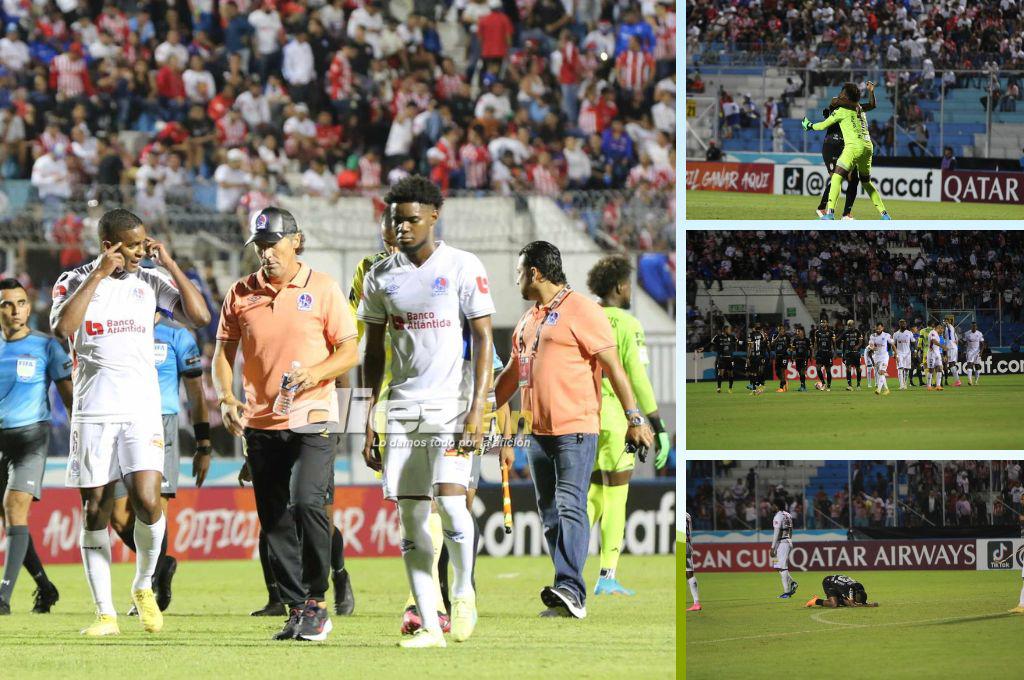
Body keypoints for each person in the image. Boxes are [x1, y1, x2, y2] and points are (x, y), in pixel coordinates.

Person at [50, 209, 211, 636]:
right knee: (95, 510)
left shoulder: (151, 281)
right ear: (109, 246)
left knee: (147, 500)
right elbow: (62, 326)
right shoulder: (73, 281)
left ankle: (143, 586)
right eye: (134, 244)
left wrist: (171, 263)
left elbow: (200, 317)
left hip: (141, 411)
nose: (142, 251)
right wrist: (98, 276)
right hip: (93, 413)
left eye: (145, 243)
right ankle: (105, 614)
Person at [357, 176, 495, 648]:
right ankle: (431, 626)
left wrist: (478, 408)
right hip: (401, 409)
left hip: (452, 406)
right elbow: (373, 353)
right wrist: (370, 414)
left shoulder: (461, 266)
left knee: (453, 506)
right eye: (396, 219)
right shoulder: (380, 276)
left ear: (435, 216)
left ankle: (463, 592)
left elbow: (482, 338)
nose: (402, 227)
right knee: (412, 520)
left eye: (412, 219)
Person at [213, 206, 358, 642]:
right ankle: (297, 608)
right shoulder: (240, 293)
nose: (266, 254)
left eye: (273, 244)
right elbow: (222, 354)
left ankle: (316, 599)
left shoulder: (324, 288)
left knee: (308, 502)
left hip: (313, 416)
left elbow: (349, 351)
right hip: (260, 421)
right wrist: (225, 396)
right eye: (259, 246)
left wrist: (316, 373)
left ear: (296, 240)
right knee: (274, 517)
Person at [494, 241, 653, 619]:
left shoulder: (582, 310)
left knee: (570, 504)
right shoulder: (528, 319)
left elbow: (615, 368)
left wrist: (635, 417)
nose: (516, 278)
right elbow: (512, 376)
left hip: (576, 430)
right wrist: (481, 407)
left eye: (519, 272)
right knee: (549, 513)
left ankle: (571, 589)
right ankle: (566, 587)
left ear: (535, 273)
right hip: (535, 432)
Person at [108, 309, 210, 614]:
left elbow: (196, 392)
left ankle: (149, 590)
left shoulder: (177, 337)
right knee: (117, 516)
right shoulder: (117, 330)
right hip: (121, 421)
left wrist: (203, 443)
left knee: (153, 508)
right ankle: (161, 565)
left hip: (161, 422)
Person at [584, 256, 671, 596]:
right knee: (616, 496)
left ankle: (569, 563)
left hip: (585, 417)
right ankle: (607, 575)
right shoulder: (627, 323)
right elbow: (636, 376)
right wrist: (656, 423)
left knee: (592, 493)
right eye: (629, 285)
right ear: (620, 287)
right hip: (618, 418)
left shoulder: (586, 317)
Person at [0, 279, 73, 615]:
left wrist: (81, 437)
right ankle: (45, 586)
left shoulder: (47, 347)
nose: (15, 311)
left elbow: (70, 396)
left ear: (29, 306)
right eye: (7, 304)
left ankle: (3, 598)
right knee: (10, 520)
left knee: (15, 507)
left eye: (21, 303)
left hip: (31, 437)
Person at [802, 82, 891, 220]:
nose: (839, 95)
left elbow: (822, 126)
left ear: (845, 96)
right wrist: (871, 92)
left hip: (853, 147)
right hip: (868, 146)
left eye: (842, 93)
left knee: (836, 177)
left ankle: (830, 213)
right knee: (866, 182)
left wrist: (809, 126)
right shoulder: (860, 109)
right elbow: (870, 105)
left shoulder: (841, 110)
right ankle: (885, 215)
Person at [814, 93, 870, 220]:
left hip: (845, 146)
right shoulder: (837, 102)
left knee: (853, 179)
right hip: (832, 146)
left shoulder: (855, 108)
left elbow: (871, 106)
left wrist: (869, 94)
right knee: (837, 177)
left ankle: (846, 214)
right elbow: (834, 101)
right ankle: (823, 208)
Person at [697, 325, 738, 393]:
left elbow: (738, 342)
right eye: (729, 330)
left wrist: (748, 342)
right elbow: (710, 343)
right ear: (725, 330)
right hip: (721, 358)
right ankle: (719, 388)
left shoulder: (732, 337)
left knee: (730, 374)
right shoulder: (718, 337)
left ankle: (730, 388)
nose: (730, 331)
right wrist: (703, 348)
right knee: (720, 373)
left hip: (730, 358)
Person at [770, 500, 797, 599]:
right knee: (776, 566)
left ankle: (786, 592)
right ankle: (792, 583)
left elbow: (776, 533)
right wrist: (789, 540)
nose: (771, 507)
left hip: (781, 543)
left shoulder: (777, 516)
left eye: (772, 505)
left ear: (776, 506)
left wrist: (772, 547)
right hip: (786, 541)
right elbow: (791, 529)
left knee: (783, 567)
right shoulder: (788, 515)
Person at [804, 574, 878, 608]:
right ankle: (815, 600)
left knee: (848, 602)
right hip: (829, 583)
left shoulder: (860, 587)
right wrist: (869, 605)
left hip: (838, 586)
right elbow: (853, 605)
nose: (857, 601)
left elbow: (859, 600)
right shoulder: (850, 589)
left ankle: (838, 599)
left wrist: (865, 603)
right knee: (834, 604)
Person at [868, 322, 894, 396]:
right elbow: (871, 345)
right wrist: (872, 348)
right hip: (876, 357)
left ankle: (878, 390)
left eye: (879, 328)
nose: (878, 330)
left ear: (882, 328)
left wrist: (896, 354)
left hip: (884, 356)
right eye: (877, 328)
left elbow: (892, 344)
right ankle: (886, 389)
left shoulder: (886, 335)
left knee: (882, 372)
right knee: (880, 373)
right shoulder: (872, 336)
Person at [744, 322, 768, 396]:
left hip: (753, 356)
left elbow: (750, 347)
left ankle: (755, 390)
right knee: (756, 373)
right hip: (759, 355)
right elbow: (764, 342)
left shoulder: (751, 335)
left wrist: (748, 357)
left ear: (752, 328)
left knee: (752, 373)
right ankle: (757, 389)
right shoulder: (760, 334)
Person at [840, 319, 864, 390]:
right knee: (848, 368)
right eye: (848, 325)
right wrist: (843, 355)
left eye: (851, 325)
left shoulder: (858, 332)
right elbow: (843, 345)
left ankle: (858, 385)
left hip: (856, 354)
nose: (849, 327)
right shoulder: (845, 333)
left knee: (858, 369)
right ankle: (849, 385)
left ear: (854, 324)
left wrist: (857, 346)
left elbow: (861, 342)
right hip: (848, 353)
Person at [812, 319, 835, 391]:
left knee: (828, 370)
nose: (822, 323)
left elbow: (834, 343)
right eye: (821, 322)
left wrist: (835, 352)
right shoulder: (817, 332)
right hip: (820, 352)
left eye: (824, 322)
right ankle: (823, 383)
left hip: (828, 353)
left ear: (827, 323)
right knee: (818, 369)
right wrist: (813, 352)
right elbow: (815, 343)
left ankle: (828, 386)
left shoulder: (831, 332)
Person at [893, 319, 915, 391]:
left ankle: (905, 383)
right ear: (899, 324)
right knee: (900, 368)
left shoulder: (909, 333)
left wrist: (914, 351)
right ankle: (901, 385)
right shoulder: (896, 334)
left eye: (905, 324)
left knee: (906, 369)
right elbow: (893, 344)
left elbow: (913, 342)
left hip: (908, 353)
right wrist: (895, 353)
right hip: (899, 353)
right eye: (902, 324)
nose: (904, 325)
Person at [685, 511, 700, 612]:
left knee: (688, 573)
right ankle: (696, 603)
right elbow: (690, 531)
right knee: (689, 572)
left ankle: (696, 603)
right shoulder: (687, 515)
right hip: (687, 545)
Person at [963, 321, 986, 386]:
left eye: (975, 326)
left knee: (977, 366)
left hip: (977, 352)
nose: (974, 327)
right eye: (973, 326)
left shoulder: (979, 333)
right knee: (969, 365)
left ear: (976, 327)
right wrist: (962, 343)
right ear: (971, 327)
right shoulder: (967, 333)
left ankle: (976, 381)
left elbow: (982, 344)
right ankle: (970, 381)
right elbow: (964, 342)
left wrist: (981, 352)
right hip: (970, 351)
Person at [770, 323, 791, 393]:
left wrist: (789, 350)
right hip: (777, 356)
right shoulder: (775, 335)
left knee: (782, 370)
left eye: (781, 329)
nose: (780, 331)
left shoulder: (787, 337)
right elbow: (772, 343)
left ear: (783, 329)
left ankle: (781, 388)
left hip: (784, 356)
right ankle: (784, 382)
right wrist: (777, 337)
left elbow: (790, 346)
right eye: (779, 330)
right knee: (777, 373)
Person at [790, 327, 811, 392]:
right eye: (797, 331)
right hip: (798, 358)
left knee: (802, 371)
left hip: (804, 358)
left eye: (799, 331)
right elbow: (793, 350)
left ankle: (803, 386)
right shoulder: (795, 340)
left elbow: (810, 349)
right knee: (799, 372)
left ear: (802, 332)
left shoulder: (807, 340)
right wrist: (792, 356)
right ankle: (802, 386)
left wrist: (810, 357)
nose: (797, 333)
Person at [943, 315, 961, 387]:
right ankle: (957, 381)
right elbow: (957, 340)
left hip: (951, 347)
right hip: (952, 347)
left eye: (947, 320)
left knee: (951, 364)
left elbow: (947, 325)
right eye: (945, 320)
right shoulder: (952, 328)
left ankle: (957, 381)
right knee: (951, 363)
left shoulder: (949, 327)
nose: (945, 321)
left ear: (949, 321)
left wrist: (946, 323)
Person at [926, 321, 945, 391]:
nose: (941, 329)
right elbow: (933, 341)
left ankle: (938, 385)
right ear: (938, 327)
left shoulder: (937, 334)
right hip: (932, 353)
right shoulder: (933, 332)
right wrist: (942, 346)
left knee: (939, 368)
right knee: (931, 370)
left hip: (937, 353)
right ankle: (929, 386)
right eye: (940, 327)